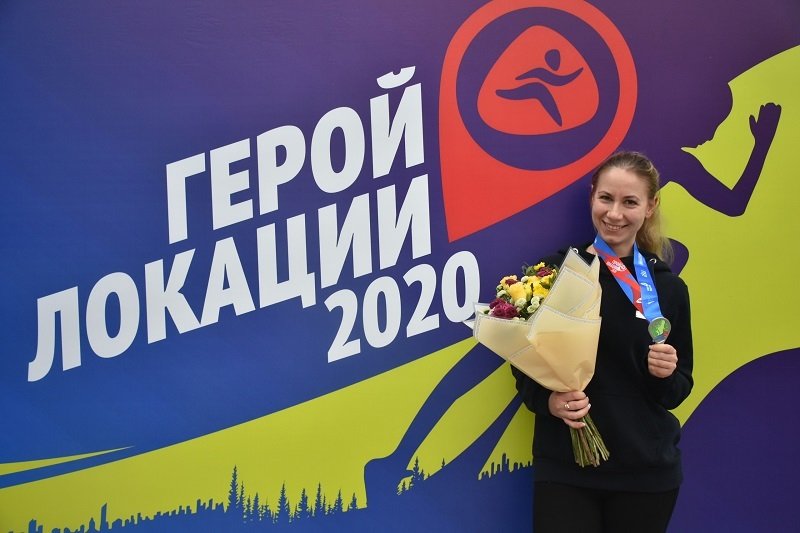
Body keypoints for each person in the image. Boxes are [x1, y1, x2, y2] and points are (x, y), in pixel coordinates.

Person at [512, 151, 693, 532]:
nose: (614, 213)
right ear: (592, 196)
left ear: (650, 207)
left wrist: (665, 374)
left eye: (630, 202)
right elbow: (522, 360)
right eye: (606, 198)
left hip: (645, 474)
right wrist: (549, 401)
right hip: (565, 468)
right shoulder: (554, 275)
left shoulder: (667, 288)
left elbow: (678, 389)